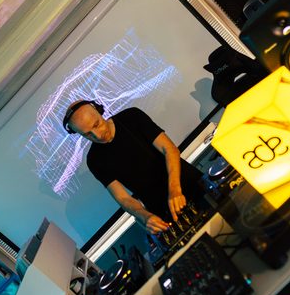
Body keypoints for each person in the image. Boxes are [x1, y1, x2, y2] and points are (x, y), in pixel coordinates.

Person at [62, 100, 203, 234]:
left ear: (99, 110)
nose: (97, 135)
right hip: (162, 212)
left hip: (188, 184)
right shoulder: (94, 160)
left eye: (96, 125)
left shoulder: (131, 117)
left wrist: (174, 190)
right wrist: (145, 216)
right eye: (87, 134)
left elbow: (170, 150)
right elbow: (123, 198)